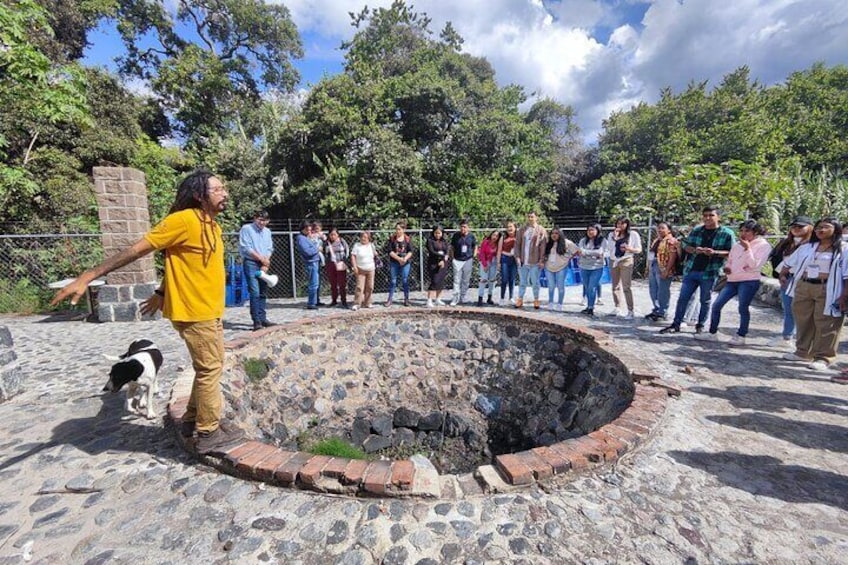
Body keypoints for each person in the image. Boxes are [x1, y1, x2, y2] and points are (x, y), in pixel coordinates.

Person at [51, 170, 244, 455]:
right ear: (198, 195)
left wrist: (161, 293)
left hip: (209, 309)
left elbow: (179, 265)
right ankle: (208, 432)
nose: (224, 193)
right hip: (195, 312)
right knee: (210, 368)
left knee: (210, 367)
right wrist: (89, 275)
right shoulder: (183, 220)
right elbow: (136, 250)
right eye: (217, 189)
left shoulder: (210, 225)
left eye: (223, 187)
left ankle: (194, 421)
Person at [779, 217, 848, 371]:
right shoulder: (808, 247)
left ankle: (823, 357)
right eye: (818, 227)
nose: (820, 230)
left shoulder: (844, 249)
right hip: (804, 285)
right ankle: (802, 352)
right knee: (803, 320)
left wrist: (844, 295)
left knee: (827, 322)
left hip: (828, 288)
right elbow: (789, 263)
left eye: (825, 227)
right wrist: (783, 274)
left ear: (835, 229)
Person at [694, 220, 772, 345]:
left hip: (748, 281)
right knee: (717, 305)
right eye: (741, 230)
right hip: (732, 280)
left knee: (742, 307)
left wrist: (747, 248)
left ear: (755, 232)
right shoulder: (737, 245)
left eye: (747, 231)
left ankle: (741, 335)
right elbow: (730, 259)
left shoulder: (763, 245)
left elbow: (754, 265)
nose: (743, 233)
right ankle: (712, 333)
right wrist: (728, 268)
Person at [660, 206, 736, 334]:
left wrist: (714, 253)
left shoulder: (727, 233)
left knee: (705, 299)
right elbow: (685, 244)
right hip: (692, 269)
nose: (707, 218)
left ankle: (700, 325)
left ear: (718, 217)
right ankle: (676, 323)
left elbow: (732, 252)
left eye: (711, 215)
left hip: (710, 271)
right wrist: (695, 250)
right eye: (705, 215)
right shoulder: (697, 230)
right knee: (683, 298)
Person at [767, 216, 813, 347]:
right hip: (786, 279)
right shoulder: (785, 243)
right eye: (794, 226)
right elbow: (776, 259)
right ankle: (786, 337)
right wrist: (780, 275)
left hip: (803, 280)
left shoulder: (813, 245)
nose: (796, 229)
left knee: (802, 311)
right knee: (788, 309)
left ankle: (803, 341)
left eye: (800, 226)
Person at [238, 209, 275, 331]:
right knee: (255, 291)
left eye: (265, 220)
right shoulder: (247, 229)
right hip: (251, 262)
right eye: (260, 219)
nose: (262, 222)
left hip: (263, 263)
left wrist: (266, 262)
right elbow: (246, 247)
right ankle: (256, 321)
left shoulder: (268, 232)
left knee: (263, 290)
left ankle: (263, 317)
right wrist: (261, 259)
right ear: (255, 218)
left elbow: (269, 248)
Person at [606, 217, 642, 319]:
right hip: (614, 260)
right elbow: (609, 248)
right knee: (615, 285)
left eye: (622, 224)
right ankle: (617, 307)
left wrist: (630, 249)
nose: (620, 226)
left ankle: (630, 310)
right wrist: (615, 238)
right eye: (618, 224)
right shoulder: (611, 235)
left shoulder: (633, 234)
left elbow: (639, 249)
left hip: (626, 260)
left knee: (626, 286)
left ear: (627, 224)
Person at [645, 222, 678, 322]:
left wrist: (667, 270)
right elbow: (651, 254)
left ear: (669, 230)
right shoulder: (657, 240)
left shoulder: (671, 241)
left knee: (663, 290)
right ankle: (656, 309)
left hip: (664, 267)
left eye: (663, 228)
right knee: (653, 289)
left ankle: (663, 312)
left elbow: (673, 257)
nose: (660, 230)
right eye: (658, 228)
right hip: (654, 265)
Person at [515, 211, 548, 309]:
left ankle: (536, 299)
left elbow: (543, 247)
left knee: (535, 282)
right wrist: (517, 257)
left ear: (536, 218)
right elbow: (517, 244)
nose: (530, 218)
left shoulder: (541, 230)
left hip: (535, 262)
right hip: (523, 261)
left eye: (532, 217)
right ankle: (520, 299)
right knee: (522, 282)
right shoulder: (522, 230)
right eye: (528, 216)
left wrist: (542, 260)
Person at [544, 227, 578, 311]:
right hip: (549, 267)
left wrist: (568, 258)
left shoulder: (567, 243)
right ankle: (550, 302)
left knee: (560, 286)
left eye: (556, 233)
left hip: (562, 267)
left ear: (560, 234)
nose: (554, 235)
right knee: (551, 286)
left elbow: (577, 251)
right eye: (552, 233)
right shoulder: (548, 243)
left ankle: (560, 303)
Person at [578, 223, 605, 317]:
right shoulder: (583, 240)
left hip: (596, 267)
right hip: (584, 267)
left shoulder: (602, 241)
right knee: (586, 286)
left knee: (592, 287)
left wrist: (586, 252)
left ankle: (591, 307)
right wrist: (592, 253)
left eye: (593, 230)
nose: (590, 232)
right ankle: (588, 306)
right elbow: (580, 251)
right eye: (589, 230)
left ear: (598, 231)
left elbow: (600, 252)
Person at [449, 219, 477, 306]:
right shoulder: (456, 236)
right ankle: (455, 298)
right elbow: (452, 247)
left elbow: (475, 246)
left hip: (468, 260)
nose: (463, 229)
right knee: (457, 280)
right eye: (461, 227)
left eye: (464, 227)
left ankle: (463, 296)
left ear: (468, 227)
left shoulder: (471, 236)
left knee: (466, 280)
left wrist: (474, 255)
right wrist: (452, 258)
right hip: (457, 260)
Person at [386, 221, 414, 307]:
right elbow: (390, 251)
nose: (397, 231)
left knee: (405, 280)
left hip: (405, 263)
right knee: (393, 281)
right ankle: (389, 299)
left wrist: (405, 259)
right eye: (396, 229)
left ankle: (406, 299)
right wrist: (398, 259)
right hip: (394, 262)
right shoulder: (392, 239)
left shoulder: (407, 239)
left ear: (404, 230)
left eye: (399, 229)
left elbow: (411, 251)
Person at [296, 220, 321, 310]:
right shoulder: (301, 239)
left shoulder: (306, 238)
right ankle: (311, 303)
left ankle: (316, 300)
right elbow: (307, 252)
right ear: (303, 229)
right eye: (307, 229)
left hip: (315, 261)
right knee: (313, 283)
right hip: (311, 262)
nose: (309, 231)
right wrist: (317, 249)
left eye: (310, 229)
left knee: (316, 283)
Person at [350, 230, 377, 310]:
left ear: (369, 238)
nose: (363, 239)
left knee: (370, 286)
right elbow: (353, 256)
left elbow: (375, 255)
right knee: (359, 287)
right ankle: (357, 303)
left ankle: (368, 302)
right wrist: (354, 266)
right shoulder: (357, 245)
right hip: (360, 269)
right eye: (362, 237)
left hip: (371, 269)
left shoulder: (371, 245)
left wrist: (375, 253)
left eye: (365, 237)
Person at [325, 228, 350, 308]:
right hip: (331, 264)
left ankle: (344, 300)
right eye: (331, 234)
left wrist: (345, 261)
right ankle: (334, 300)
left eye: (334, 234)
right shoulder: (326, 243)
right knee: (333, 283)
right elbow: (324, 252)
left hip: (340, 263)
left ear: (337, 234)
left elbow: (347, 251)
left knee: (342, 283)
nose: (332, 236)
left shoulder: (342, 241)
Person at [426, 226, 450, 307]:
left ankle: (438, 299)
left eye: (439, 233)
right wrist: (441, 256)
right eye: (436, 233)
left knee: (441, 281)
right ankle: (429, 300)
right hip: (433, 263)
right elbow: (432, 251)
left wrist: (443, 260)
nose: (437, 235)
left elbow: (447, 251)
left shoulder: (444, 241)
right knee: (434, 281)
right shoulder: (430, 241)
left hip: (443, 263)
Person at [477, 230, 501, 306]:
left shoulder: (498, 244)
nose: (495, 237)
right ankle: (480, 298)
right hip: (485, 261)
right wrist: (484, 265)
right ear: (491, 235)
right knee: (483, 280)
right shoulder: (486, 242)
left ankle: (489, 298)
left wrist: (498, 264)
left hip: (494, 262)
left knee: (492, 280)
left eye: (497, 236)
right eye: (494, 235)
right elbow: (481, 253)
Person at [498, 221, 517, 305]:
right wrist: (498, 262)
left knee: (512, 279)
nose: (509, 228)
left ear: (515, 227)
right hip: (505, 258)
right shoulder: (503, 237)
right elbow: (499, 250)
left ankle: (511, 297)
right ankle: (502, 298)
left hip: (514, 260)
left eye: (511, 226)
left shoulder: (518, 236)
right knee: (504, 279)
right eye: (508, 227)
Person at [309, 221, 327, 306]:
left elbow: (325, 239)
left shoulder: (321, 235)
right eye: (315, 228)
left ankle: (317, 299)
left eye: (319, 228)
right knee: (314, 280)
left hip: (319, 256)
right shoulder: (311, 235)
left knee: (318, 279)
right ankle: (313, 300)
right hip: (314, 256)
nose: (317, 230)